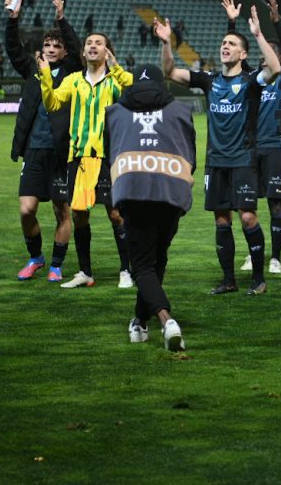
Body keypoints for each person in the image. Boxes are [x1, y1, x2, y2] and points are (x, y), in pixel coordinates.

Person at [159, 0, 281, 296]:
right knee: (221, 219)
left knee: (248, 217)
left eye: (231, 44)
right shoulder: (209, 80)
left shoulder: (252, 80)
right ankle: (228, 280)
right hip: (216, 161)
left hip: (243, 159)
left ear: (242, 54)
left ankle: (258, 278)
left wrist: (257, 34)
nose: (224, 46)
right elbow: (170, 73)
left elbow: (275, 68)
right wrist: (166, 43)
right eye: (223, 43)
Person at [106, 64, 196, 351]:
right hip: (171, 190)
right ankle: (139, 322)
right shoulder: (180, 110)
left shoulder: (115, 111)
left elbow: (111, 152)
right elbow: (190, 153)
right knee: (157, 260)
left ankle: (166, 319)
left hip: (133, 190)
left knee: (142, 266)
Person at [39, 30, 134, 289]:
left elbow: (132, 90)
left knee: (115, 214)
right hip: (78, 157)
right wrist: (46, 75)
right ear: (83, 52)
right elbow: (53, 103)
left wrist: (115, 67)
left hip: (107, 157)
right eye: (89, 43)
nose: (93, 46)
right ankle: (85, 272)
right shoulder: (73, 80)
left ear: (107, 51)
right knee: (79, 215)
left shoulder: (115, 81)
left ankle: (126, 270)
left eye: (98, 43)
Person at [6, 0, 82, 284]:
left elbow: (76, 47)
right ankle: (36, 258)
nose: (51, 49)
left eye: (56, 46)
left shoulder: (71, 71)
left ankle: (57, 264)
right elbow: (13, 50)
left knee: (62, 211)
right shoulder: (33, 71)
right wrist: (13, 20)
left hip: (61, 152)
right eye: (47, 45)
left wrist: (61, 18)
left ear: (63, 53)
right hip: (34, 150)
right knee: (27, 210)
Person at [241, 0, 281, 275]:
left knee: (275, 204)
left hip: (275, 147)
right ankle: (253, 255)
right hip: (250, 150)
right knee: (247, 204)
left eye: (271, 54)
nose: (265, 57)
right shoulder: (252, 80)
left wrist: (275, 22)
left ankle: (275, 257)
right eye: (262, 54)